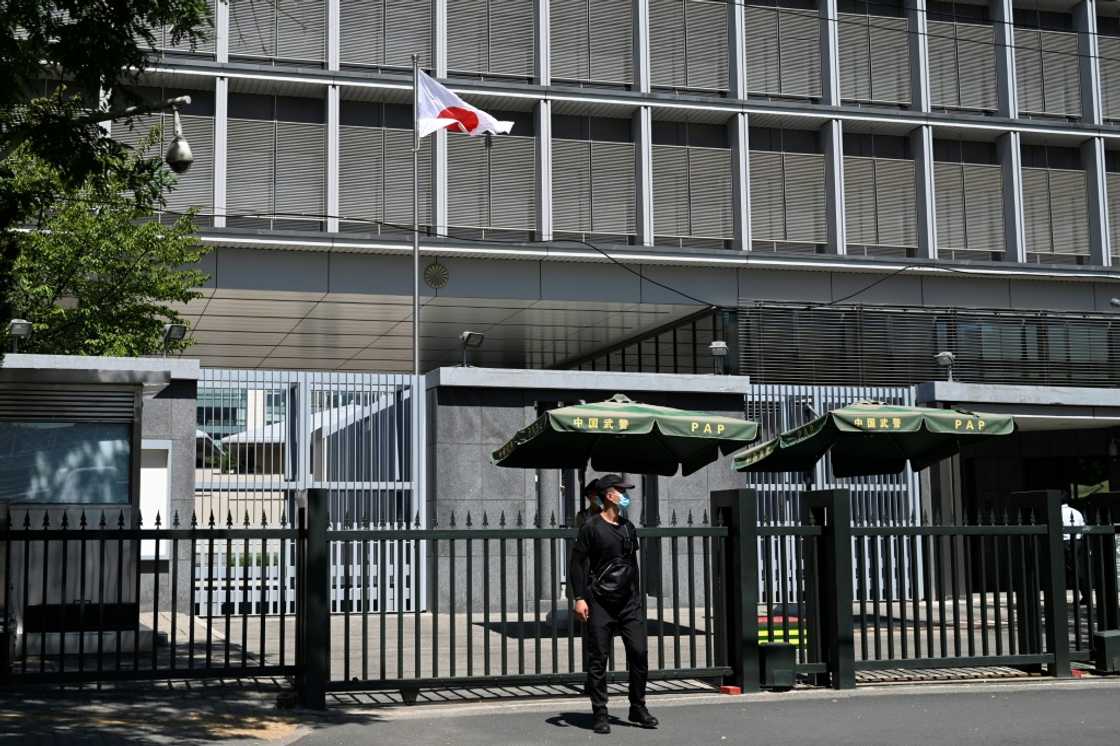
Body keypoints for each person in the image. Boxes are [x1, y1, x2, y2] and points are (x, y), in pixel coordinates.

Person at [569, 475, 657, 734]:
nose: (625, 495)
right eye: (621, 491)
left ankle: (637, 707)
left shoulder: (629, 527)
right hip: (600, 602)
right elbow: (576, 564)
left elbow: (632, 566)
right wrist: (579, 598)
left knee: (639, 654)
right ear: (609, 495)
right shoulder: (591, 527)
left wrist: (637, 599)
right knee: (598, 659)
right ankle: (600, 712)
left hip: (629, 603)